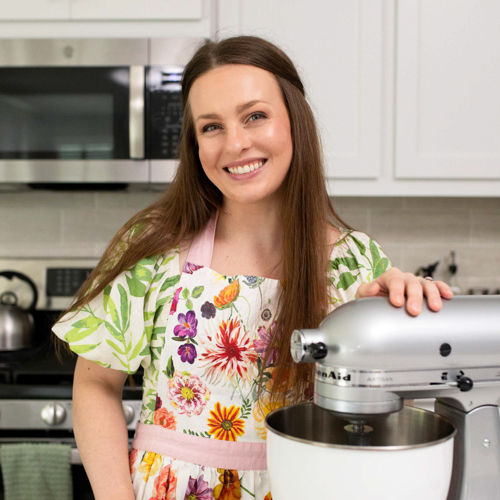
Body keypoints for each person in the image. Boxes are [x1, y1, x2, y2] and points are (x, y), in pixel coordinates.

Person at [52, 36, 453, 500]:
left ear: (294, 122)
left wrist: (395, 321)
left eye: (255, 116)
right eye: (211, 127)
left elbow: (393, 410)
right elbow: (96, 384)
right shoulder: (154, 248)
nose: (236, 144)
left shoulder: (354, 263)